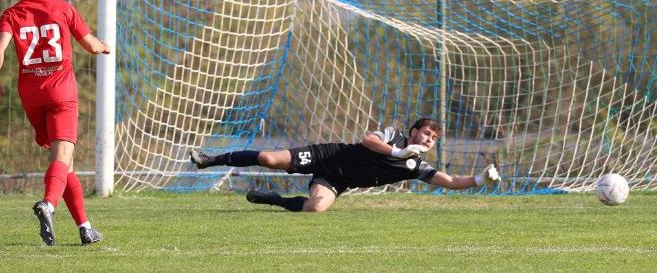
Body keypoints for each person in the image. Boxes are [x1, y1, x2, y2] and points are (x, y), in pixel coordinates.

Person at [0, 0, 110, 246]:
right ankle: (48, 205)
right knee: (62, 158)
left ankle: (85, 227)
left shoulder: (11, 13)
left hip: (31, 96)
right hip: (61, 94)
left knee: (65, 166)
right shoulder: (62, 7)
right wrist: (104, 46)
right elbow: (91, 45)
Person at [190, 118, 502, 212]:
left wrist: (479, 180)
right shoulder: (393, 136)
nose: (430, 139)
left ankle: (273, 200)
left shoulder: (416, 166)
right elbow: (368, 140)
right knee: (269, 159)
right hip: (329, 156)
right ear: (413, 132)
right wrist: (397, 152)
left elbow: (447, 181)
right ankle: (211, 160)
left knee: (316, 209)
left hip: (337, 181)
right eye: (427, 133)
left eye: (434, 137)